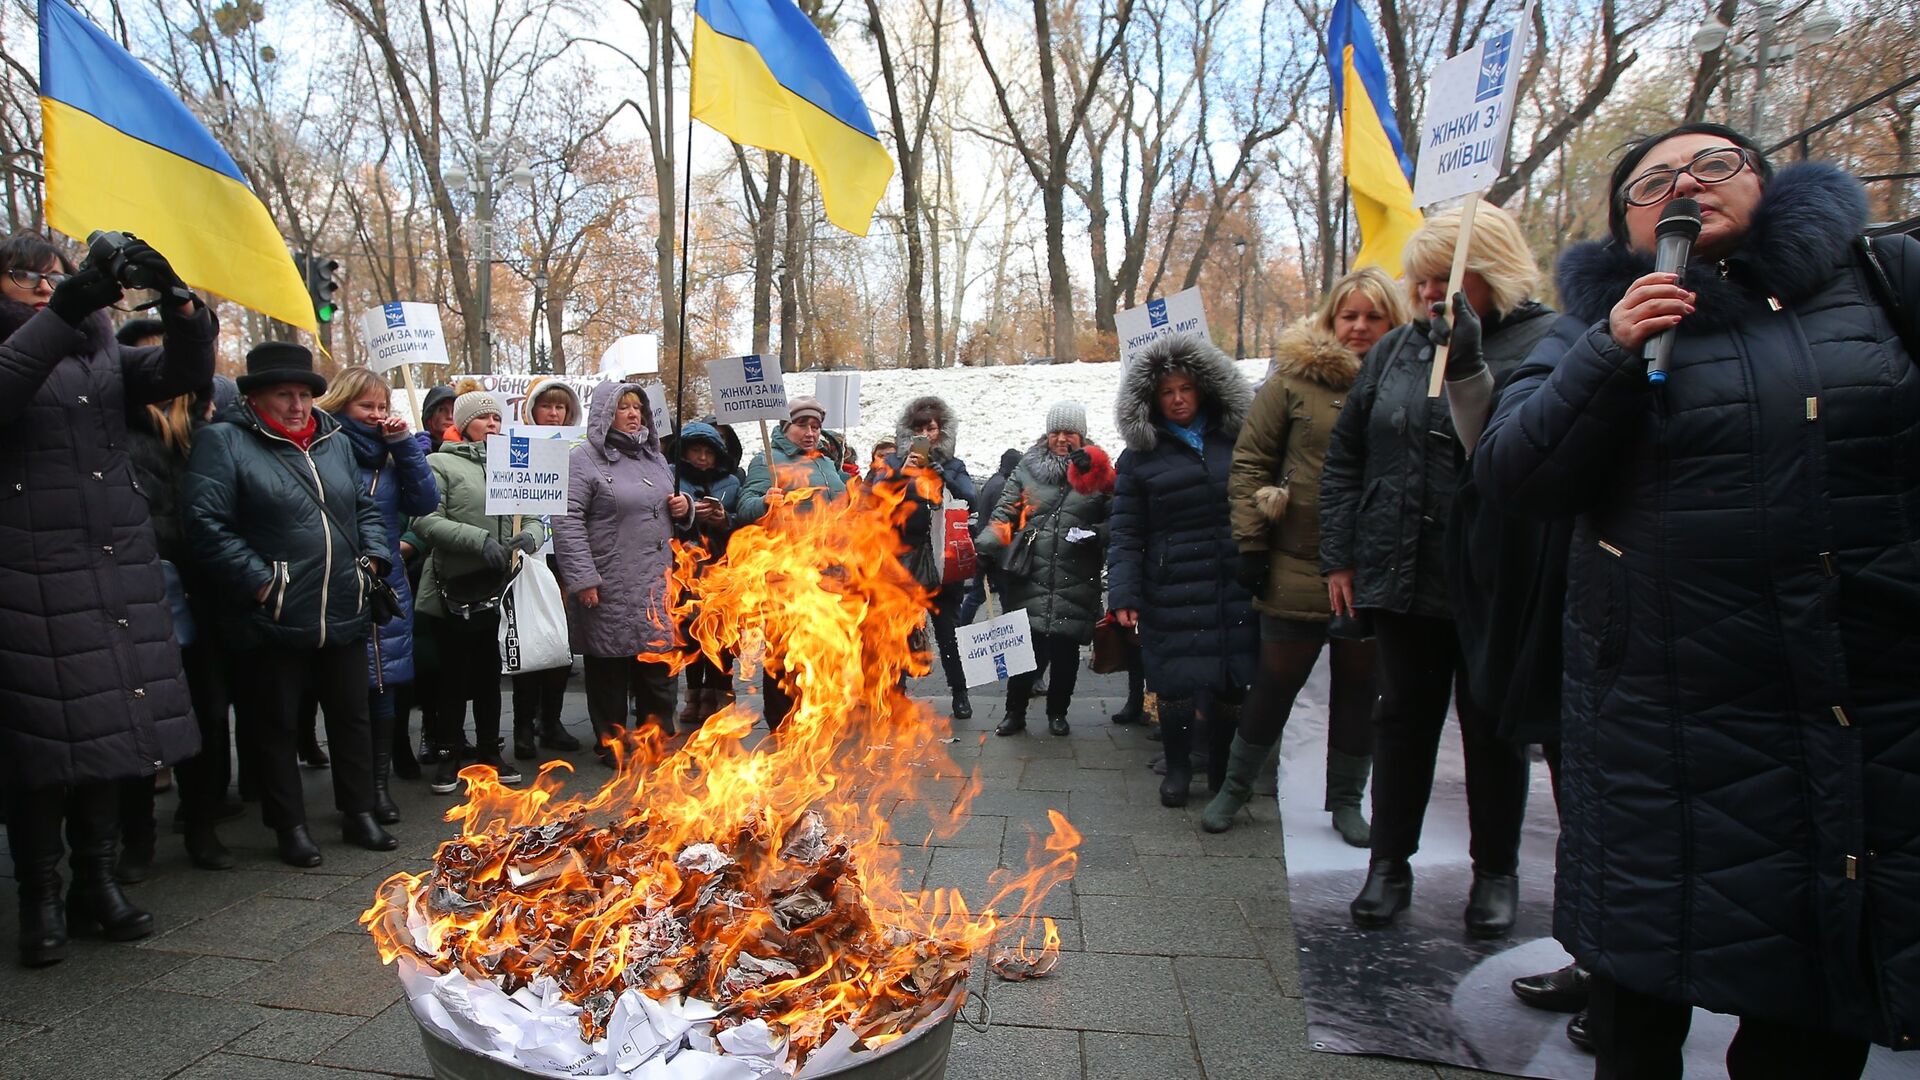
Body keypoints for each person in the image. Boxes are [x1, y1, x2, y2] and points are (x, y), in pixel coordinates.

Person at [1478, 123, 1920, 1074]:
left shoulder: (1882, 286)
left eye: (1714, 164)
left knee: (1811, 1010)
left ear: (1767, 182)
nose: (1686, 183)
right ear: (1627, 229)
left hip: (1849, 712)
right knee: (1640, 1004)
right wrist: (1611, 351)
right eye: (1653, 180)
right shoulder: (1591, 330)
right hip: (1660, 728)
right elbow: (1515, 475)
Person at [1317, 201, 1557, 938]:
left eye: (1440, 280)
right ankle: (1389, 867)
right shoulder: (1397, 351)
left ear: (1489, 272)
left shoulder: (1546, 342)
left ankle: (1496, 874)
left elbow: (1538, 454)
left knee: (1492, 730)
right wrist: (1343, 554)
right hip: (1398, 572)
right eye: (1419, 281)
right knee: (1403, 724)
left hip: (1492, 581)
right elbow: (1348, 456)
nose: (1426, 295)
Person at [1, 231, 215, 965]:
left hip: (114, 565)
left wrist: (180, 301)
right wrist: (66, 305)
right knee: (38, 747)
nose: (38, 282)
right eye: (21, 272)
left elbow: (182, 370)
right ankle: (40, 895)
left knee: (110, 732)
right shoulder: (37, 341)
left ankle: (96, 881)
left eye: (52, 272)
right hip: (28, 571)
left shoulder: (100, 354)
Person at [1209, 267, 1411, 839]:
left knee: (1358, 691)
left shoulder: (1412, 378)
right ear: (1331, 317)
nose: (1360, 326)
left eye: (1374, 316)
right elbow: (1250, 463)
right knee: (1274, 684)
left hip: (1375, 566)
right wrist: (1251, 540)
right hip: (1297, 560)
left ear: (1392, 319)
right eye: (1350, 315)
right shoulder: (1293, 382)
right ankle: (1235, 788)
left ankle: (1346, 801)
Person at [185, 343, 399, 868]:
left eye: (304, 393)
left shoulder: (333, 439)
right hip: (274, 615)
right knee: (275, 727)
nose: (298, 405)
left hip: (343, 607)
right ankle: (290, 826)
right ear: (255, 397)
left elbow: (364, 507)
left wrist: (371, 558)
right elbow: (206, 525)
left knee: (352, 720)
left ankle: (359, 811)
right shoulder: (225, 442)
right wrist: (263, 583)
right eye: (285, 394)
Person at [1107, 332, 1258, 807]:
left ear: (1205, 389)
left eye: (1185, 389)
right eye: (1166, 392)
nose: (1176, 399)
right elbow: (1127, 530)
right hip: (1170, 583)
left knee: (1232, 680)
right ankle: (1176, 768)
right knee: (1172, 682)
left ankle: (1218, 769)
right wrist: (1124, 594)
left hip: (1231, 579)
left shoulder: (1236, 441)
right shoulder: (1139, 457)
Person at [120, 363, 239, 877]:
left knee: (207, 715)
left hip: (207, 595)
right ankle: (136, 837)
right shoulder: (120, 436)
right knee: (138, 718)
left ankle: (201, 823)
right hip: (140, 595)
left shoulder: (211, 440)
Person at [314, 367, 438, 824]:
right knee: (351, 688)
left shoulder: (392, 454)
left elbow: (425, 502)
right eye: (367, 406)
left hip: (386, 582)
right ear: (342, 405)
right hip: (339, 578)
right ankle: (357, 787)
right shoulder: (325, 448)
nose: (377, 415)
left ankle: (379, 787)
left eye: (383, 406)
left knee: (386, 682)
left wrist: (404, 446)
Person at [413, 390, 543, 793]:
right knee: (453, 679)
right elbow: (424, 520)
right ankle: (449, 752)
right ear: (464, 422)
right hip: (455, 589)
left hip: (499, 591)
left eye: (497, 418)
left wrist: (531, 537)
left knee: (490, 678)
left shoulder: (515, 460)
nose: (493, 424)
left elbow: (539, 513)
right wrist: (477, 540)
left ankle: (490, 750)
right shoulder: (439, 463)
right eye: (484, 417)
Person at [552, 383, 691, 762]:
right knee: (610, 666)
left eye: (637, 408)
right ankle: (612, 742)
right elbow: (567, 521)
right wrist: (582, 579)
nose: (633, 415)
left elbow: (666, 507)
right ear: (604, 415)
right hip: (609, 580)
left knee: (658, 663)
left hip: (655, 581)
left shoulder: (655, 458)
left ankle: (657, 739)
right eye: (623, 408)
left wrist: (684, 507)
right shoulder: (583, 460)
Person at [975, 403, 1114, 737]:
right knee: (1024, 650)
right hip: (1030, 573)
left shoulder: (1099, 471)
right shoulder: (1028, 467)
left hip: (1075, 575)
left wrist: (1098, 531)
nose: (1062, 439)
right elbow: (1005, 512)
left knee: (1066, 652)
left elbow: (1119, 515)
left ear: (1081, 435)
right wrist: (984, 549)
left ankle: (1058, 712)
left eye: (1069, 433)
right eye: (1056, 432)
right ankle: (1014, 713)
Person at [737, 396, 848, 731]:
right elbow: (745, 506)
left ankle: (814, 713)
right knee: (784, 652)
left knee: (820, 647)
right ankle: (782, 721)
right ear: (786, 428)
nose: (810, 432)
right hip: (787, 574)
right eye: (802, 425)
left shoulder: (827, 464)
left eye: (815, 426)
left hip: (828, 570)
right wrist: (764, 503)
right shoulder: (767, 461)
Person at [872, 396, 978, 720]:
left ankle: (960, 694)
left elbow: (970, 499)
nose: (926, 435)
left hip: (942, 561)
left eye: (931, 428)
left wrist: (941, 473)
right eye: (919, 429)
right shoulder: (893, 464)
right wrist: (901, 476)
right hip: (903, 563)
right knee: (899, 631)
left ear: (940, 431)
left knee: (948, 631)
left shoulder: (954, 465)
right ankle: (896, 693)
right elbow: (873, 499)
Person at [506, 376, 583, 761]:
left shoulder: (581, 450)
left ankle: (551, 721)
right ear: (531, 410)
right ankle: (523, 725)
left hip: (568, 555)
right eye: (547, 407)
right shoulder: (514, 445)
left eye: (561, 408)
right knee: (531, 639)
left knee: (560, 642)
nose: (554, 414)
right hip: (532, 555)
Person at [673, 419, 742, 728]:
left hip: (722, 565)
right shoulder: (674, 479)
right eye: (696, 451)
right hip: (685, 569)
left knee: (721, 633)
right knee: (690, 633)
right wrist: (688, 513)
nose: (702, 458)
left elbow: (744, 521)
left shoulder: (732, 482)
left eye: (708, 452)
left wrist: (723, 517)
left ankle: (721, 692)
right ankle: (694, 693)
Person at [959, 447, 1023, 625]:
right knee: (996, 594)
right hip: (994, 551)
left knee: (980, 594)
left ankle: (963, 626)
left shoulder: (993, 481)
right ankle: (1010, 629)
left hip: (986, 547)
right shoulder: (1002, 486)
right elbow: (1000, 522)